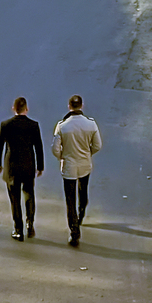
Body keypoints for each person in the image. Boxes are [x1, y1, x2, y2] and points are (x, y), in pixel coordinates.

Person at [51, 95, 103, 248]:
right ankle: (81, 214)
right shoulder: (91, 125)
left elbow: (55, 149)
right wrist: (88, 153)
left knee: (70, 199)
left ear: (69, 106)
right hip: (85, 164)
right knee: (83, 191)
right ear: (82, 106)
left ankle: (74, 231)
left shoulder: (62, 126)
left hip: (69, 166)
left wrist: (63, 156)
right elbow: (97, 145)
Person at [0, 96, 44, 241]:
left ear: (13, 109)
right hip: (28, 165)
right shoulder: (33, 125)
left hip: (12, 167)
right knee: (29, 194)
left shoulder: (6, 125)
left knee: (14, 198)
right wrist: (40, 166)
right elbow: (39, 147)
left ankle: (18, 229)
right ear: (26, 109)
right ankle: (30, 223)